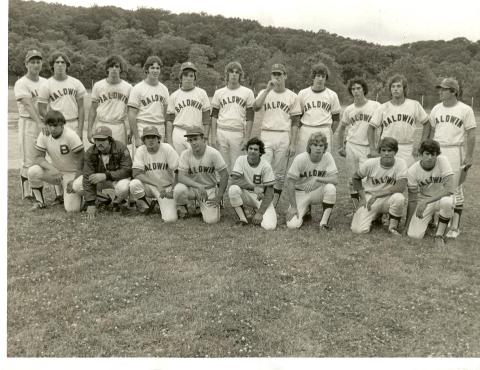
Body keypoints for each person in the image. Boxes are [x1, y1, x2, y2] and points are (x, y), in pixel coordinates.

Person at [424, 77, 476, 239]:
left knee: (455, 188)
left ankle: (454, 227)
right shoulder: (436, 109)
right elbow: (431, 131)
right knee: (434, 184)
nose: (440, 92)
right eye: (440, 88)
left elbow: (471, 133)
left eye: (444, 89)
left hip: (455, 150)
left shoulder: (465, 109)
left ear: (454, 91)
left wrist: (468, 156)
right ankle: (432, 220)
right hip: (437, 151)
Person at [254, 63, 302, 207]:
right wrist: (268, 89)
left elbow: (295, 122)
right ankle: (261, 203)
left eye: (279, 74)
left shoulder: (292, 96)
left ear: (285, 76)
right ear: (271, 76)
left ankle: (273, 204)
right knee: (263, 168)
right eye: (274, 74)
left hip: (283, 135)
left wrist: (293, 144)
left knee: (279, 173)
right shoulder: (265, 92)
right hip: (267, 134)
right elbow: (255, 107)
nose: (277, 77)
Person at [337, 77, 381, 212]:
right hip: (351, 145)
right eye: (353, 89)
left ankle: (370, 208)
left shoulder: (375, 106)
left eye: (358, 88)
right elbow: (341, 129)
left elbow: (382, 127)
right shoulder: (349, 109)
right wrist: (340, 146)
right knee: (352, 179)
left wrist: (377, 146)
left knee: (368, 179)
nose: (356, 91)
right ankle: (357, 208)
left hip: (368, 147)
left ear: (364, 90)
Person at [27, 110, 84, 211]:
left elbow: (82, 160)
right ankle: (40, 201)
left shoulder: (71, 135)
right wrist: (52, 169)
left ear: (62, 125)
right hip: (57, 173)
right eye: (50, 125)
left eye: (56, 125)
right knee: (33, 171)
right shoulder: (44, 134)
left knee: (72, 209)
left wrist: (75, 179)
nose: (52, 129)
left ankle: (86, 196)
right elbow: (38, 157)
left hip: (72, 174)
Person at [71, 126, 132, 219]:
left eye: (102, 140)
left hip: (115, 179)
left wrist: (106, 175)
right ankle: (103, 199)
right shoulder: (90, 152)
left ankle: (118, 201)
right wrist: (90, 203)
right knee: (77, 185)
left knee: (124, 187)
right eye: (96, 140)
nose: (99, 143)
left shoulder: (121, 148)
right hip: (99, 179)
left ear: (110, 140)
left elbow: (127, 170)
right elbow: (87, 176)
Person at [368, 74, 429, 166]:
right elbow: (371, 127)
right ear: (390, 89)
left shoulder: (414, 105)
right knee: (387, 176)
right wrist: (373, 149)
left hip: (406, 147)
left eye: (398, 86)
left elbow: (427, 123)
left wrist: (421, 144)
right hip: (388, 148)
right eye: (393, 86)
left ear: (404, 88)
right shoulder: (383, 107)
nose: (395, 89)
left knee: (406, 177)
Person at [351, 137, 407, 235]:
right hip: (370, 198)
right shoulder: (370, 163)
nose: (386, 153)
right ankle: (375, 216)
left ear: (395, 152)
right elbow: (356, 177)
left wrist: (378, 195)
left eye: (390, 151)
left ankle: (392, 227)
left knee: (399, 198)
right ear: (379, 151)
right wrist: (363, 198)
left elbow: (401, 186)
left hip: (388, 198)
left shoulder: (400, 163)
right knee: (358, 230)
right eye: (383, 150)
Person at [173, 127, 228, 224]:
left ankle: (211, 204)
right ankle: (183, 207)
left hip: (209, 189)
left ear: (203, 139)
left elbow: (224, 175)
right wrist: (198, 186)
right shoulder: (185, 154)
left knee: (211, 221)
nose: (193, 142)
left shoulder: (213, 153)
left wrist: (219, 196)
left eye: (195, 139)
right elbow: (181, 177)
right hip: (192, 188)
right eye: (190, 140)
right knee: (179, 189)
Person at [405, 139, 455, 246]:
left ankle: (439, 235)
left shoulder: (442, 160)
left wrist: (426, 201)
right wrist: (407, 225)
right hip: (424, 199)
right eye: (427, 154)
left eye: (433, 154)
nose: (430, 157)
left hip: (441, 197)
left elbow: (449, 189)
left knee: (447, 202)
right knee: (414, 235)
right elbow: (413, 200)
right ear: (420, 154)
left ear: (437, 155)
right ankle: (431, 220)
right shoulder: (412, 171)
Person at [285, 132, 338, 230]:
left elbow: (335, 179)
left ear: (325, 147)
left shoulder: (327, 156)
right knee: (292, 225)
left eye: (321, 145)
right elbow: (290, 183)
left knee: (330, 188)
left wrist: (317, 178)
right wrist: (293, 207)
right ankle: (306, 211)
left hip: (317, 191)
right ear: (310, 146)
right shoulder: (300, 158)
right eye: (315, 145)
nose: (318, 148)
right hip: (300, 192)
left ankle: (323, 223)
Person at [13, 49, 47, 200]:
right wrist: (39, 122)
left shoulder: (46, 82)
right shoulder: (21, 82)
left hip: (43, 123)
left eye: (38, 61)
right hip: (28, 122)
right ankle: (27, 192)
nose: (35, 64)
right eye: (32, 62)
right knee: (28, 159)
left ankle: (37, 188)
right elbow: (27, 104)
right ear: (26, 64)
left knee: (41, 157)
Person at [210, 61, 255, 172]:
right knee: (221, 165)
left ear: (240, 75)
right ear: (227, 74)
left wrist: (247, 138)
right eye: (231, 72)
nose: (234, 74)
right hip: (222, 131)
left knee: (237, 165)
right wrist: (213, 136)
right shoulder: (219, 92)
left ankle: (235, 189)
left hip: (238, 132)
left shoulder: (247, 92)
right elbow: (214, 116)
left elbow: (250, 117)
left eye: (237, 72)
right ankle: (221, 188)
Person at [129, 126, 179, 222]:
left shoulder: (167, 148)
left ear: (158, 138)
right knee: (134, 184)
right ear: (144, 140)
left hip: (166, 187)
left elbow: (178, 170)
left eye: (153, 137)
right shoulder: (141, 150)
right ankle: (147, 203)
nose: (151, 140)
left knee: (170, 219)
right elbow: (136, 173)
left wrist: (173, 189)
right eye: (148, 137)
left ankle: (162, 203)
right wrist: (156, 184)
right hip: (150, 186)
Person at [228, 137, 277, 230]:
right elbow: (234, 180)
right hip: (246, 194)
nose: (252, 151)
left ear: (260, 152)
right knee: (233, 189)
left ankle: (256, 211)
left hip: (261, 198)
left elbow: (270, 192)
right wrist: (253, 187)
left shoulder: (265, 166)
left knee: (269, 226)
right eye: (250, 148)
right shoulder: (241, 160)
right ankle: (243, 219)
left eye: (256, 149)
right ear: (247, 150)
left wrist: (260, 213)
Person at [38, 50, 86, 140]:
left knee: (76, 153)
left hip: (73, 122)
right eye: (57, 62)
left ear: (67, 65)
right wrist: (52, 120)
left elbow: (81, 108)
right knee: (57, 152)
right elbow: (41, 109)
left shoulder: (76, 83)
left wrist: (80, 130)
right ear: (52, 65)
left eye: (63, 62)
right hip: (56, 125)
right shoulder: (46, 85)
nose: (60, 64)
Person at [166, 62, 211, 154]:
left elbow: (206, 118)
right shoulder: (174, 95)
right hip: (179, 131)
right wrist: (170, 141)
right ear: (181, 77)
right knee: (179, 163)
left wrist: (205, 136)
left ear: (194, 78)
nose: (188, 78)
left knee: (196, 162)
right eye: (185, 75)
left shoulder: (202, 93)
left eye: (191, 76)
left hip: (196, 132)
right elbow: (170, 120)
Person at [127, 56, 169, 152]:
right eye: (152, 68)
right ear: (146, 69)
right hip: (143, 126)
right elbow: (131, 114)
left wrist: (166, 135)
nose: (155, 71)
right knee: (142, 161)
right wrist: (137, 137)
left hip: (159, 127)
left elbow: (166, 115)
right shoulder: (138, 88)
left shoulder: (164, 89)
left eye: (158, 68)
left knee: (159, 160)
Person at [88, 55, 132, 145]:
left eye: (117, 66)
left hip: (118, 126)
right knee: (102, 156)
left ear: (121, 69)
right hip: (102, 124)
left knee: (119, 156)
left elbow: (131, 112)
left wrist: (131, 131)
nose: (114, 69)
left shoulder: (128, 87)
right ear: (107, 69)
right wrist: (89, 130)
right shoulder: (98, 85)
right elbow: (93, 109)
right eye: (111, 66)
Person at [297, 62, 341, 154]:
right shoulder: (303, 93)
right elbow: (298, 116)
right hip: (306, 129)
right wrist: (301, 129)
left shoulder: (332, 95)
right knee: (304, 156)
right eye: (318, 76)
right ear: (313, 77)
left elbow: (336, 118)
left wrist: (330, 131)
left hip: (324, 129)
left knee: (323, 159)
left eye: (323, 76)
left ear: (326, 78)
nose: (320, 79)